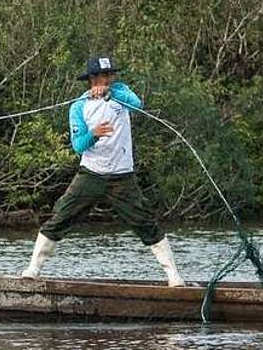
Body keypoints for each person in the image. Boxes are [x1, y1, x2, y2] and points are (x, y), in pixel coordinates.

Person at [20, 55, 185, 286]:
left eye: (110, 75)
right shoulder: (78, 107)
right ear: (92, 78)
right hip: (91, 174)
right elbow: (78, 146)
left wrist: (111, 93)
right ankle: (33, 269)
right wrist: (94, 134)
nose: (108, 79)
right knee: (61, 217)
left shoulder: (121, 93)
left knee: (145, 222)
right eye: (103, 76)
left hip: (122, 176)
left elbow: (137, 105)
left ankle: (173, 276)